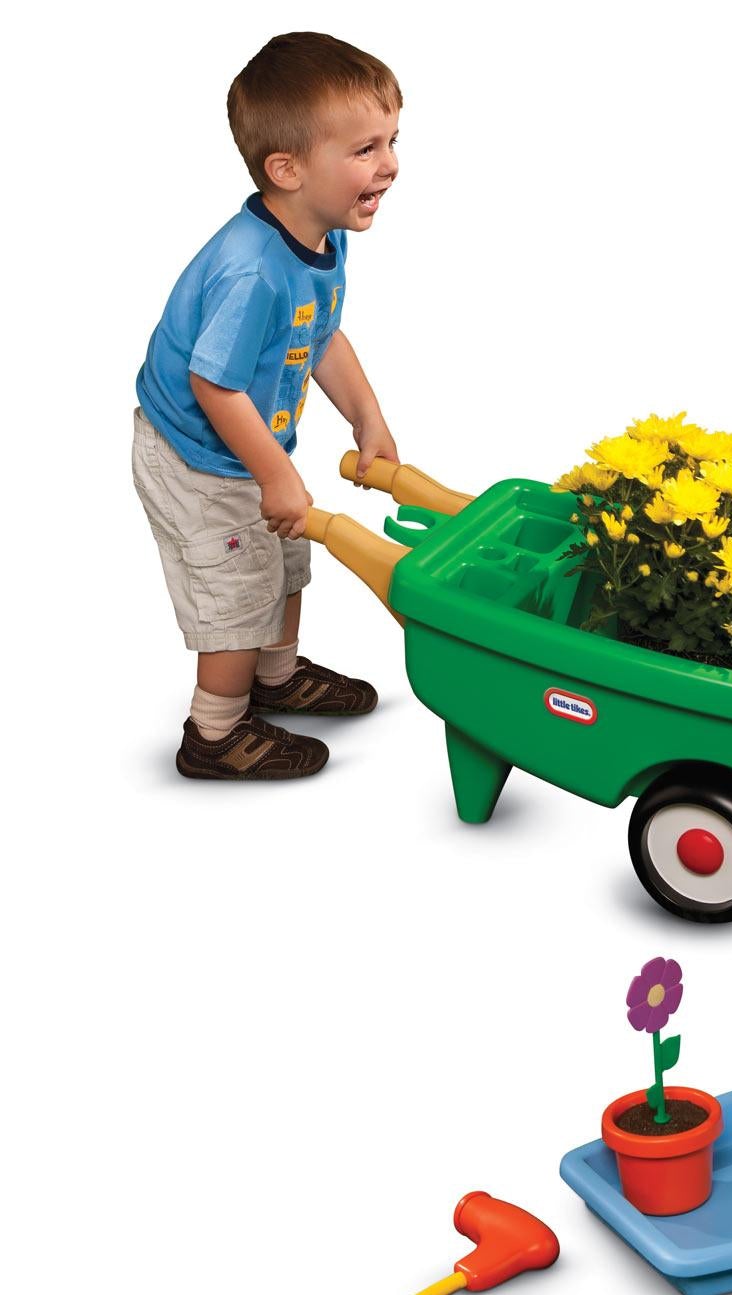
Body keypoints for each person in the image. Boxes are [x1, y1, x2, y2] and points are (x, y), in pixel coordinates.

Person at [133, 32, 402, 779]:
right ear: (287, 170)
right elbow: (212, 384)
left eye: (392, 141)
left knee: (284, 560)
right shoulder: (250, 272)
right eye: (365, 149)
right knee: (238, 587)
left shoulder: (320, 238)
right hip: (195, 456)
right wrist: (276, 475)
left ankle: (275, 679)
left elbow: (320, 335)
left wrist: (366, 415)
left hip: (247, 445)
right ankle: (214, 732)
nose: (389, 164)